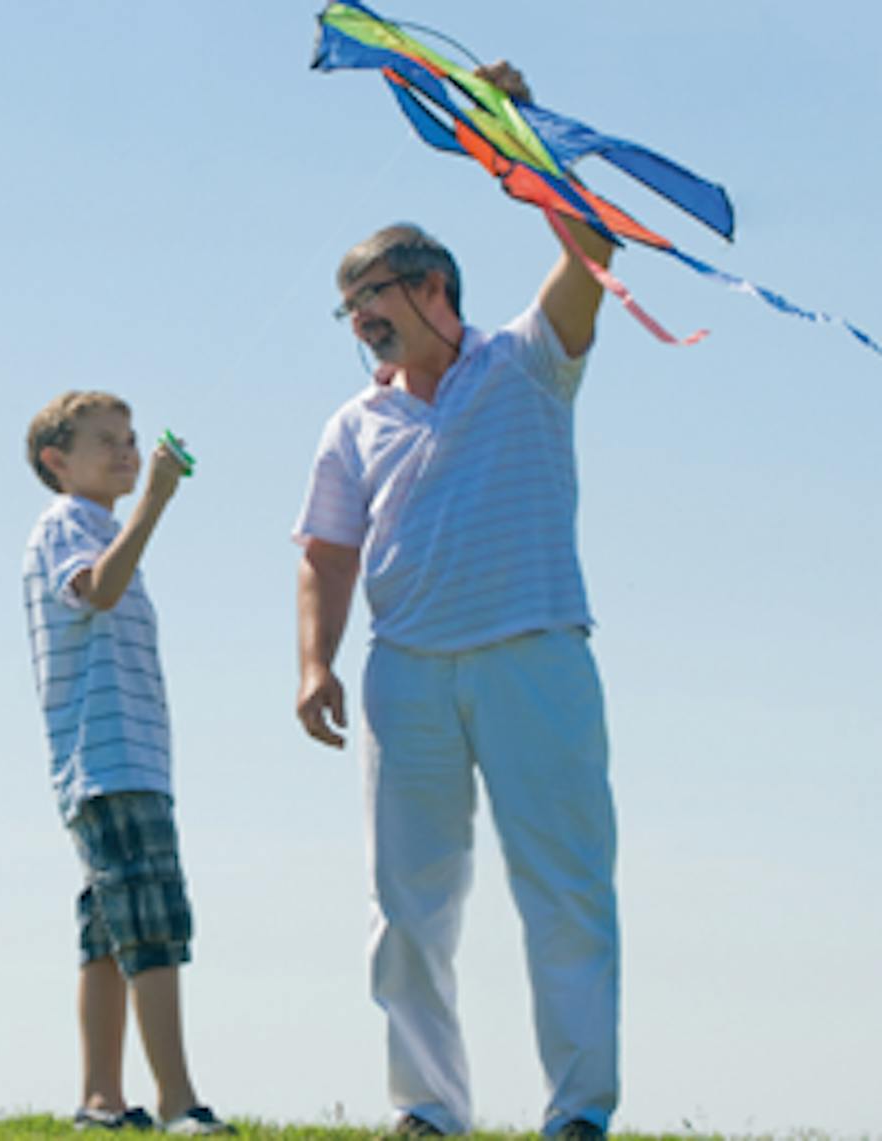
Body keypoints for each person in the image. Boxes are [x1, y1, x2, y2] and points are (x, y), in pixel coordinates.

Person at [293, 61, 619, 1141]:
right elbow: (326, 553)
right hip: (408, 673)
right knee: (408, 911)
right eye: (347, 310)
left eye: (370, 298)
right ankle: (427, 1109)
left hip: (534, 654)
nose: (359, 323)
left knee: (564, 891)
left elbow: (592, 246)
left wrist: (513, 129)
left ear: (434, 288)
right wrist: (315, 661)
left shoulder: (530, 361)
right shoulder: (353, 422)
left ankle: (578, 1112)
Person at [23, 391, 231, 1134]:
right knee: (154, 925)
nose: (126, 451)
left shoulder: (100, 527)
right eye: (105, 440)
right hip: (108, 764)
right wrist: (155, 503)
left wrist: (140, 512)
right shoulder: (66, 527)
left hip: (128, 761)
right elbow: (100, 591)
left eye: (130, 438)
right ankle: (178, 1101)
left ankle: (101, 1101)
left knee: (110, 931)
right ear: (57, 460)